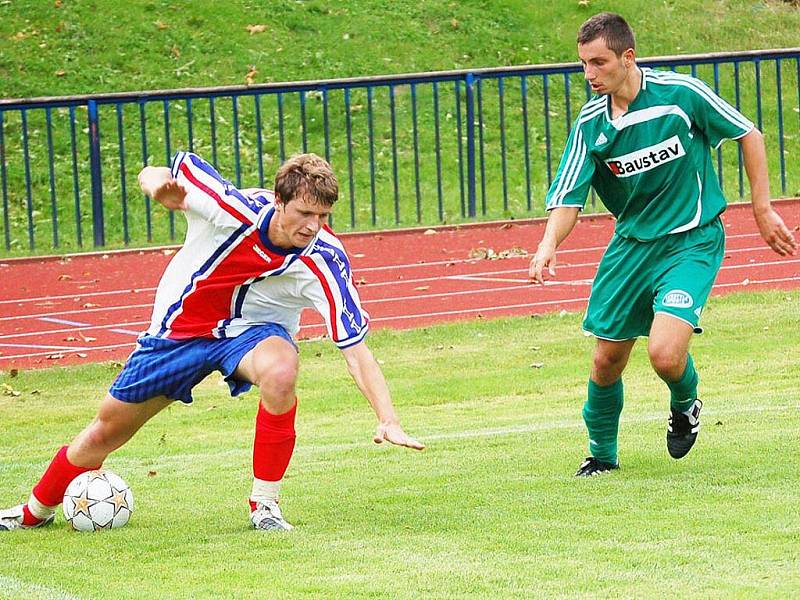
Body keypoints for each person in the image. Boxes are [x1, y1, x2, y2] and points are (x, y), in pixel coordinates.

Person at [1, 151, 424, 531]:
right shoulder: (230, 209)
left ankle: (265, 504)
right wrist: (157, 189)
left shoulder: (325, 259)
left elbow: (355, 348)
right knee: (106, 431)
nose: (313, 226)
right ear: (279, 201)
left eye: (323, 216)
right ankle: (33, 512)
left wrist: (387, 417)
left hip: (252, 334)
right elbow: (153, 171)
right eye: (304, 213)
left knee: (281, 371)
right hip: (179, 331)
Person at [529, 12, 797, 477]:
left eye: (599, 62)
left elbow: (749, 133)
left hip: (692, 241)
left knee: (664, 353)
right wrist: (547, 243)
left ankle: (685, 402)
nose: (590, 74)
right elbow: (568, 196)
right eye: (583, 65)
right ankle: (603, 458)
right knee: (606, 360)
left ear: (628, 57)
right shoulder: (591, 124)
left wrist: (761, 208)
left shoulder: (680, 95)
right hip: (631, 246)